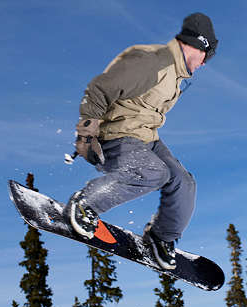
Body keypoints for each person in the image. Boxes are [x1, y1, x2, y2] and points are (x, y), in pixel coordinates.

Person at [64, 12, 218, 270]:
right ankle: (86, 203)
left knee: (184, 183)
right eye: (206, 56)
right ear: (197, 45)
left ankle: (161, 237)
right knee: (152, 173)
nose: (204, 64)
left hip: (146, 138)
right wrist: (87, 132)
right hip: (116, 135)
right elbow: (100, 89)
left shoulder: (177, 76)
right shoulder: (153, 62)